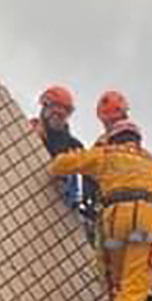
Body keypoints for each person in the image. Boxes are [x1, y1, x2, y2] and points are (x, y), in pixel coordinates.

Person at [48, 90, 152, 301]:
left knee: (114, 277)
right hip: (146, 217)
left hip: (113, 221)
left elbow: (60, 165)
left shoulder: (104, 154)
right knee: (137, 277)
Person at [30, 84, 94, 221]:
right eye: (55, 112)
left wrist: (83, 197)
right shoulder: (29, 132)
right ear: (44, 108)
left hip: (53, 210)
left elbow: (90, 179)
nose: (58, 118)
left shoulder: (73, 147)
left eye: (63, 114)